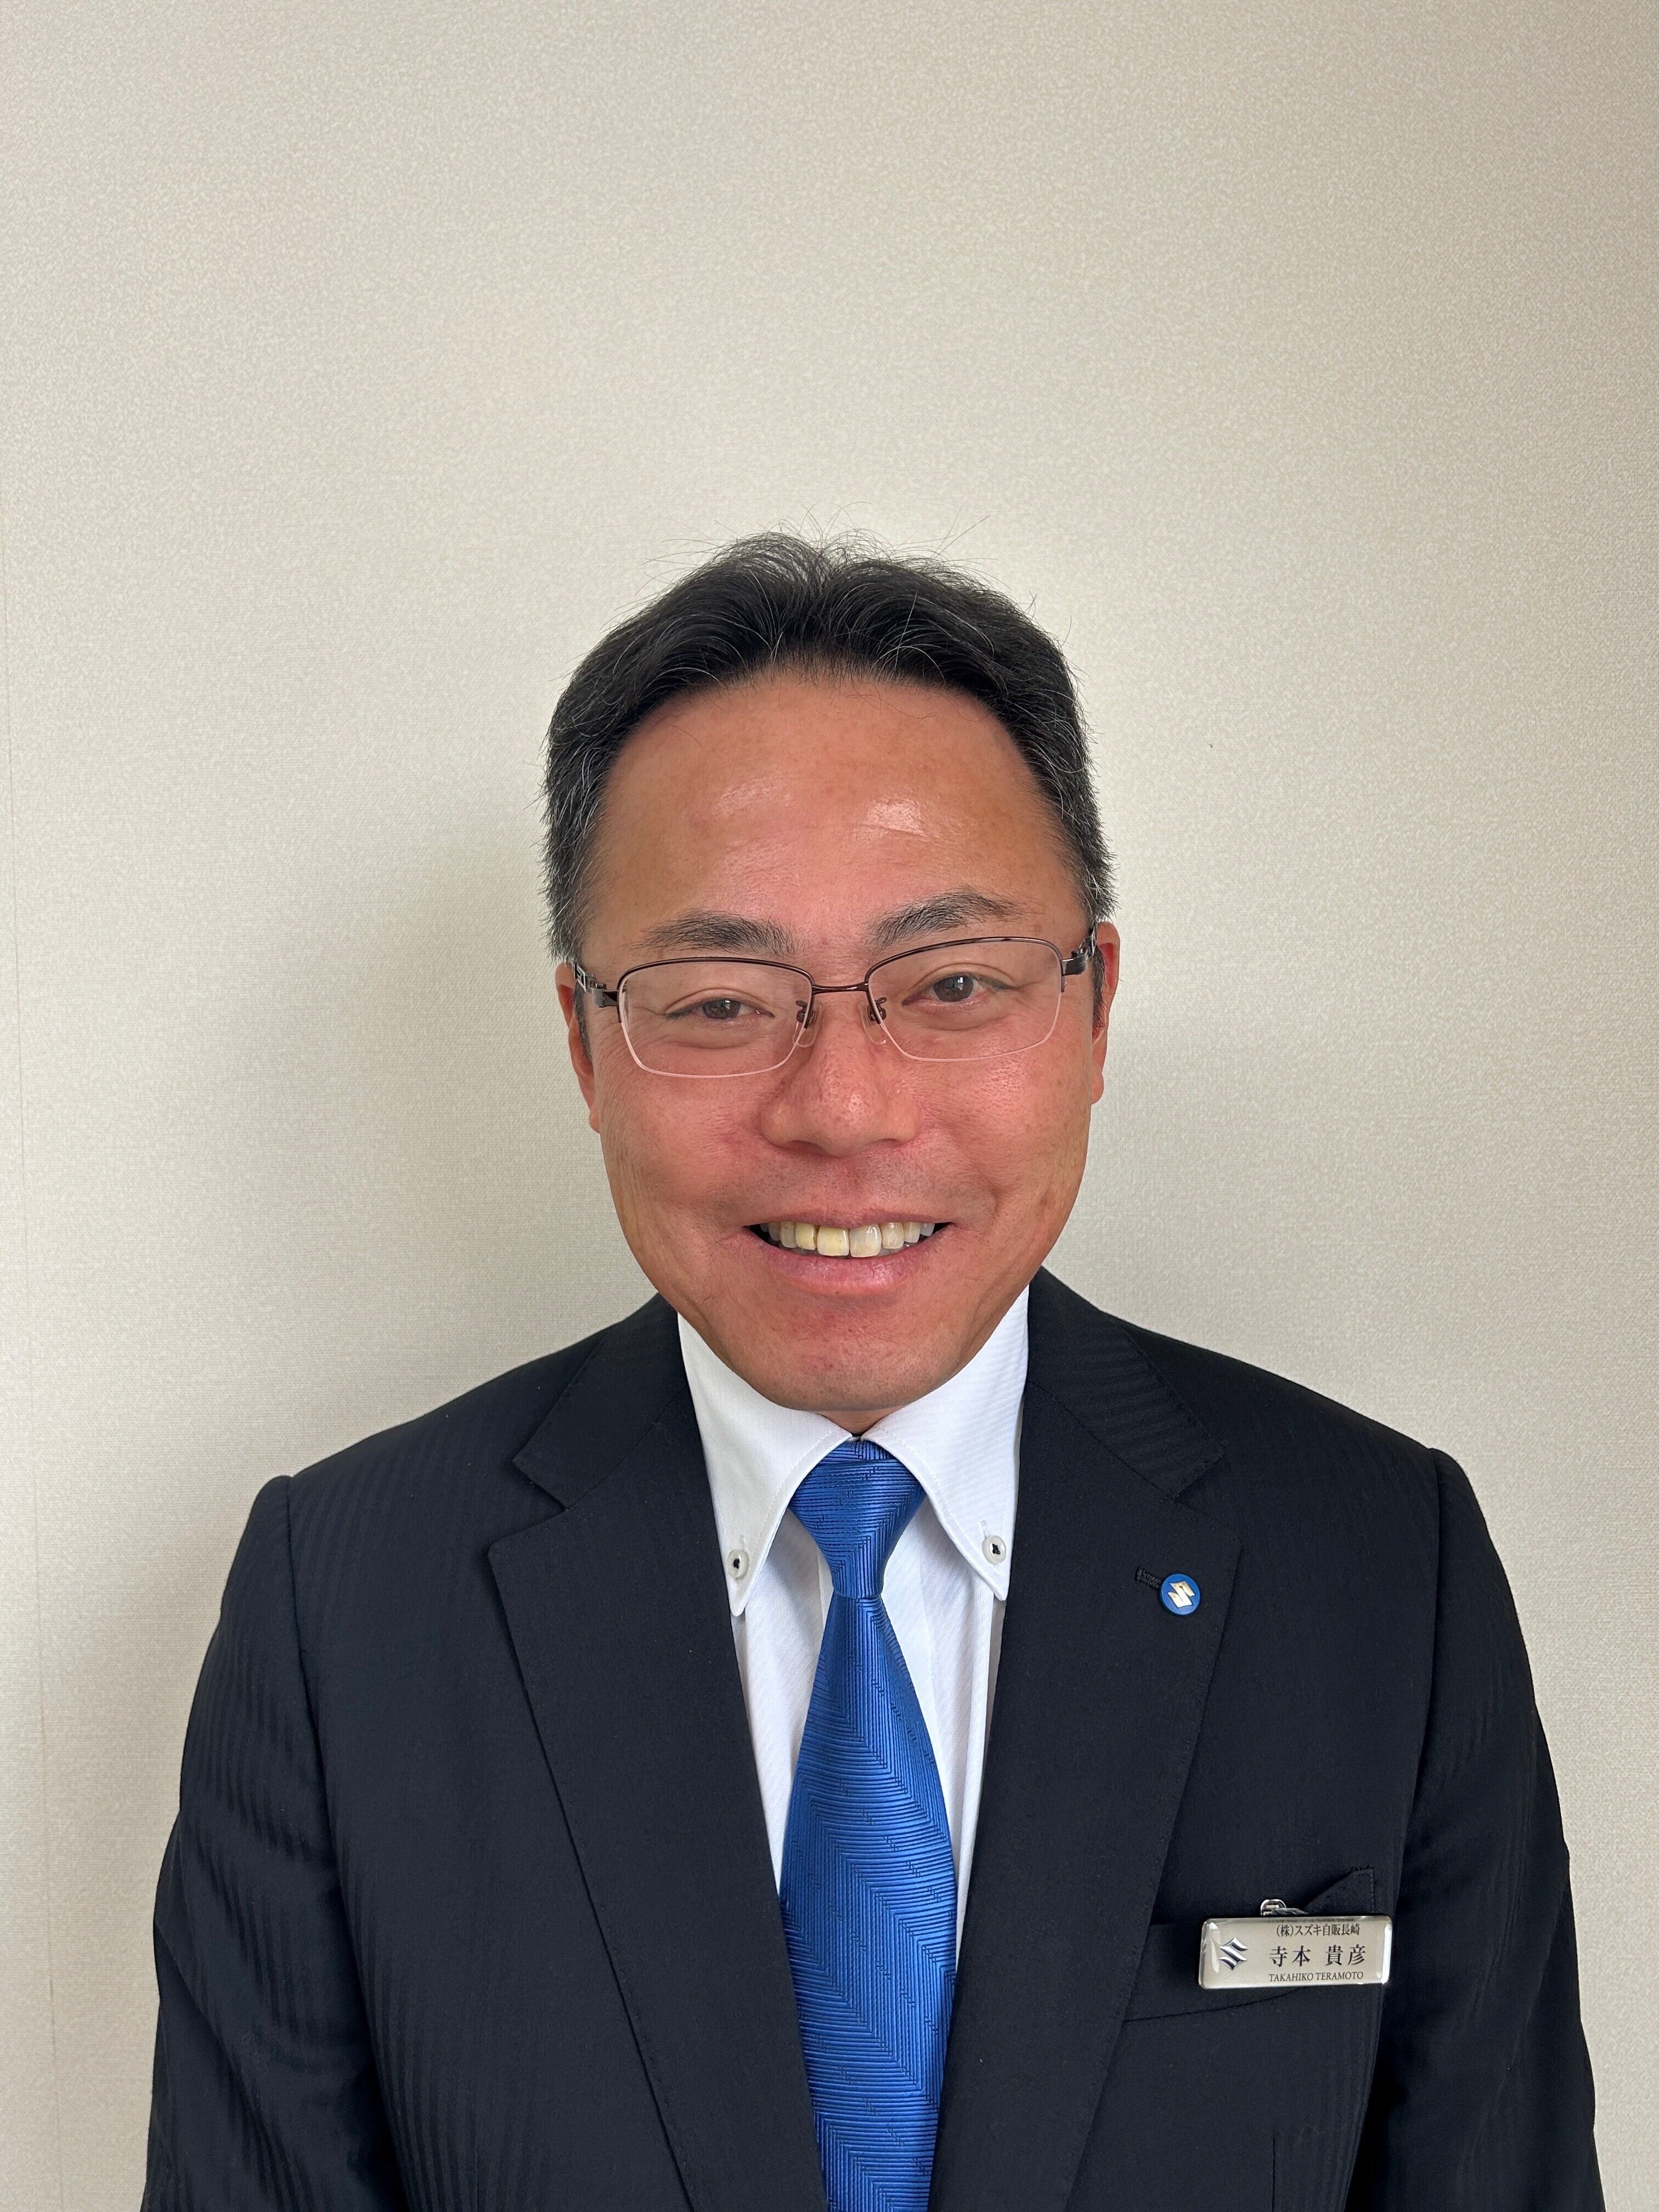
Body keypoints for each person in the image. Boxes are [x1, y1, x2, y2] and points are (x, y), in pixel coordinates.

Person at [141, 535, 1602, 2210]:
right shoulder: (349, 1605)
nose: (843, 1108)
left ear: (1096, 1008)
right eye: (717, 1003)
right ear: (584, 1047)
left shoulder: (1380, 1566)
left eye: (954, 983)